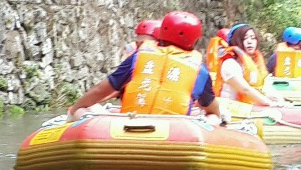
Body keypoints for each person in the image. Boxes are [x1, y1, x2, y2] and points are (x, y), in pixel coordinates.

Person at [68, 11, 218, 119]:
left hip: (130, 123)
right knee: (214, 118)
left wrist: (75, 109)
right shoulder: (200, 69)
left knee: (84, 110)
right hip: (175, 130)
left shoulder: (139, 56)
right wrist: (216, 116)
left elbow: (100, 90)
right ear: (195, 40)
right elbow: (210, 106)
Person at [216, 23, 273, 112]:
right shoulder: (230, 63)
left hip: (249, 107)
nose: (249, 41)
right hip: (230, 111)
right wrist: (269, 104)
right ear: (235, 41)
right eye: (245, 38)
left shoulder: (255, 63)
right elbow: (245, 89)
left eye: (253, 38)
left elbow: (265, 87)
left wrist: (279, 100)